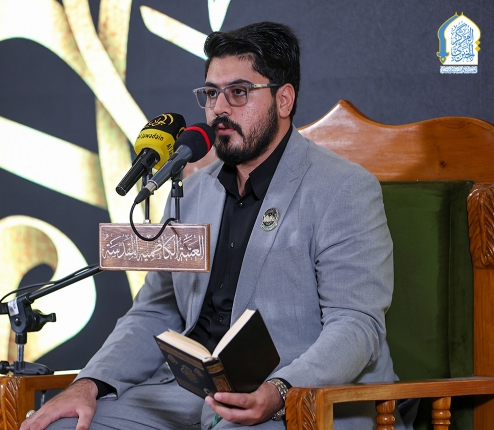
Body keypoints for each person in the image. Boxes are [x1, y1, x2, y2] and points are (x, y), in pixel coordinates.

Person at [22, 22, 410, 430]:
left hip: (303, 398)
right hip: (190, 393)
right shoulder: (191, 193)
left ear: (283, 99)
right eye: (211, 93)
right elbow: (156, 310)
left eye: (238, 92)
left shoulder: (343, 188)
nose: (219, 109)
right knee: (62, 426)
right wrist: (89, 383)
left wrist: (280, 390)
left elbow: (356, 324)